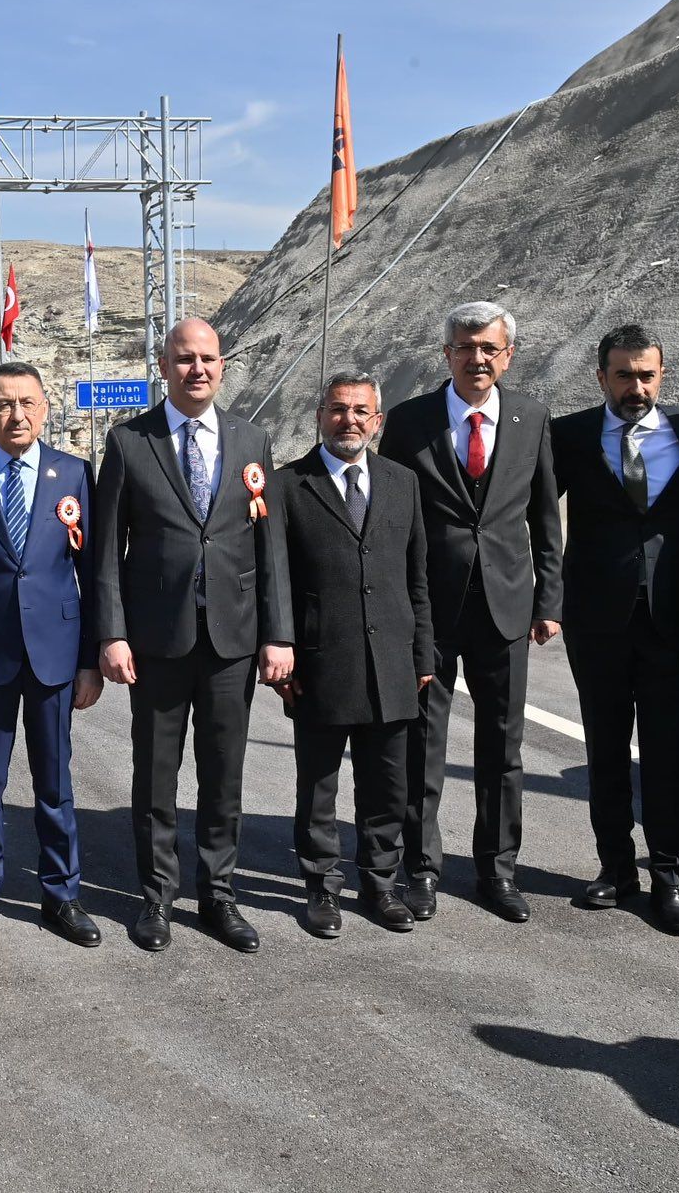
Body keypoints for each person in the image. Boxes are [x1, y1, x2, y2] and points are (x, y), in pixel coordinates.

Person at [94, 317, 294, 954]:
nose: (197, 369)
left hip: (232, 640)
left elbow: (269, 549)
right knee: (155, 774)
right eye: (185, 359)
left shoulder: (252, 439)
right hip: (156, 640)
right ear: (164, 365)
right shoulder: (130, 442)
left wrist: (278, 634)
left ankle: (219, 894)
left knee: (224, 773)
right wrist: (113, 634)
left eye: (208, 358)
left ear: (223, 364)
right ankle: (156, 898)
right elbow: (105, 552)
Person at [380, 300, 562, 924]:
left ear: (507, 354)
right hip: (428, 608)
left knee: (502, 750)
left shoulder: (532, 418)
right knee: (422, 745)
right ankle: (421, 869)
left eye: (489, 348)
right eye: (465, 347)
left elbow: (545, 516)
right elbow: (392, 520)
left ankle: (497, 870)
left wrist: (549, 599)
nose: (477, 358)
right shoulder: (408, 423)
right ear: (447, 354)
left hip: (506, 607)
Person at [0, 361, 103, 950]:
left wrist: (89, 660)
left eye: (27, 403)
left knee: (55, 783)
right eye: (3, 405)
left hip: (56, 657)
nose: (17, 415)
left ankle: (62, 895)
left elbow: (93, 575)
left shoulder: (75, 475)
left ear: (45, 408)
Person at [551, 325, 679, 933]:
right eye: (623, 375)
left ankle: (671, 878)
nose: (635, 386)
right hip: (595, 623)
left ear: (661, 376)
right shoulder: (568, 435)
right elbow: (535, 516)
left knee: (670, 755)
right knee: (606, 750)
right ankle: (615, 869)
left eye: (646, 374)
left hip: (672, 626)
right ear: (601, 378)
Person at [272, 371, 431, 938]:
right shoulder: (288, 485)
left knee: (387, 782)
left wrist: (424, 654)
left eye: (362, 411)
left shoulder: (402, 483)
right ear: (321, 416)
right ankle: (321, 887)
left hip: (392, 660)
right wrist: (283, 651)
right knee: (319, 783)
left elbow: (418, 578)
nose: (350, 421)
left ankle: (382, 883)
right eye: (339, 410)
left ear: (377, 420)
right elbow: (277, 581)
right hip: (321, 661)